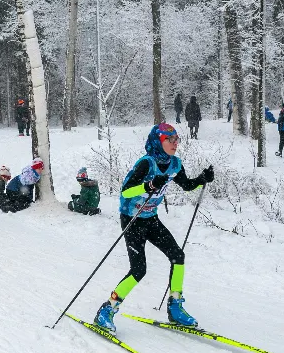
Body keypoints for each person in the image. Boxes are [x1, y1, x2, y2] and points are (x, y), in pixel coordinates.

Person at [92, 123, 215, 332]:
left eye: (176, 139)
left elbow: (186, 185)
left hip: (150, 218)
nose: (175, 143)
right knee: (139, 270)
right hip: (132, 218)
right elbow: (126, 192)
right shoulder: (146, 164)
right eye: (170, 140)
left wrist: (201, 179)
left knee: (178, 256)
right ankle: (107, 310)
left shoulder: (175, 164)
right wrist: (148, 186)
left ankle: (175, 307)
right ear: (159, 142)